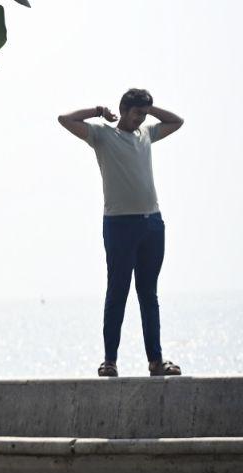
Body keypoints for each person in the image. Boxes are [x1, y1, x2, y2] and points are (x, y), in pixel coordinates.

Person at [58, 89, 185, 378]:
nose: (141, 118)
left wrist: (150, 110)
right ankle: (110, 361)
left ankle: (156, 360)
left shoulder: (146, 133)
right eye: (137, 113)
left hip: (152, 224)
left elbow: (177, 122)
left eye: (144, 114)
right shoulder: (103, 136)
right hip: (119, 225)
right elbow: (64, 119)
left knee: (148, 294)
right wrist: (96, 111)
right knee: (118, 292)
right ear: (124, 110)